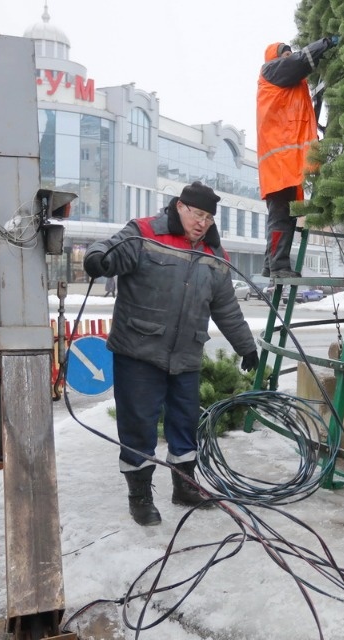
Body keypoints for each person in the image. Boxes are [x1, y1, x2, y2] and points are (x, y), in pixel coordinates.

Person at [83, 181, 259, 526]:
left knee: (184, 423)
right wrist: (98, 258)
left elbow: (226, 308)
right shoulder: (145, 232)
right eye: (198, 214)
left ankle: (185, 487)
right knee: (139, 426)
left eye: (209, 217)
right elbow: (111, 249)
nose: (203, 223)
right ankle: (140, 497)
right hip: (139, 351)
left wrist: (246, 346)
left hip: (186, 355)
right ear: (180, 206)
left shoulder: (215, 255)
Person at [257, 36, 338, 278]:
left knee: (284, 216)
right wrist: (326, 42)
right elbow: (301, 61)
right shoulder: (271, 71)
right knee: (281, 216)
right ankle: (279, 267)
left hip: (286, 163)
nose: (289, 57)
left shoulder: (289, 87)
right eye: (285, 54)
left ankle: (270, 264)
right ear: (275, 58)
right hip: (280, 163)